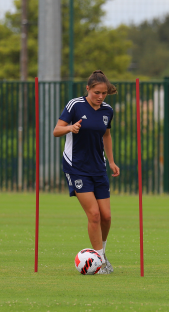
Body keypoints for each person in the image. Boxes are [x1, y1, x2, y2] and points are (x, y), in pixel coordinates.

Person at [53, 70, 120, 274]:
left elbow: (106, 135)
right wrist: (70, 128)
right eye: (97, 92)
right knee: (94, 214)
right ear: (88, 89)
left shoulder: (107, 110)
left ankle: (102, 255)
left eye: (104, 93)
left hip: (98, 167)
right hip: (76, 167)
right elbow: (56, 130)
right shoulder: (75, 105)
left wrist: (111, 160)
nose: (100, 97)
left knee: (106, 216)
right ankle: (98, 264)